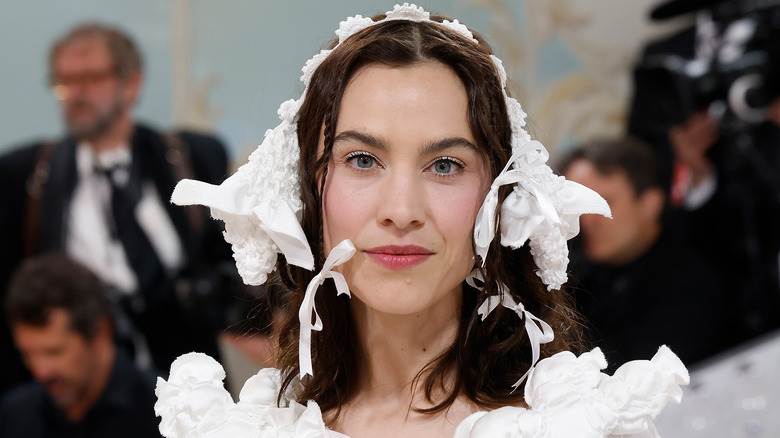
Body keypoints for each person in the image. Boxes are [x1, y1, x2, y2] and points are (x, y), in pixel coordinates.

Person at [154, 5, 690, 437]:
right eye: (362, 160)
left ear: (498, 198)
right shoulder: (241, 428)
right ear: (308, 193)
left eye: (445, 165)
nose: (402, 211)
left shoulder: (577, 426)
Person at [0, 22, 235, 392]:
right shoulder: (27, 175)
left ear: (132, 84)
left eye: (91, 78)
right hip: (85, 393)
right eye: (64, 81)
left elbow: (228, 265)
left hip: (188, 382)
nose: (75, 94)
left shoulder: (189, 157)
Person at [628, 0, 780, 341]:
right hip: (717, 251)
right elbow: (645, 164)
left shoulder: (773, 32)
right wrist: (690, 165)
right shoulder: (663, 59)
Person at [559, 137, 733, 368]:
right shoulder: (572, 278)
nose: (586, 221)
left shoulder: (690, 279)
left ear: (650, 203)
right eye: (578, 208)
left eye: (602, 202)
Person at [0, 253, 161, 437]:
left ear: (100, 332)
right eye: (27, 354)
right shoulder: (16, 416)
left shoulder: (170, 412)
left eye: (54, 352)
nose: (41, 371)